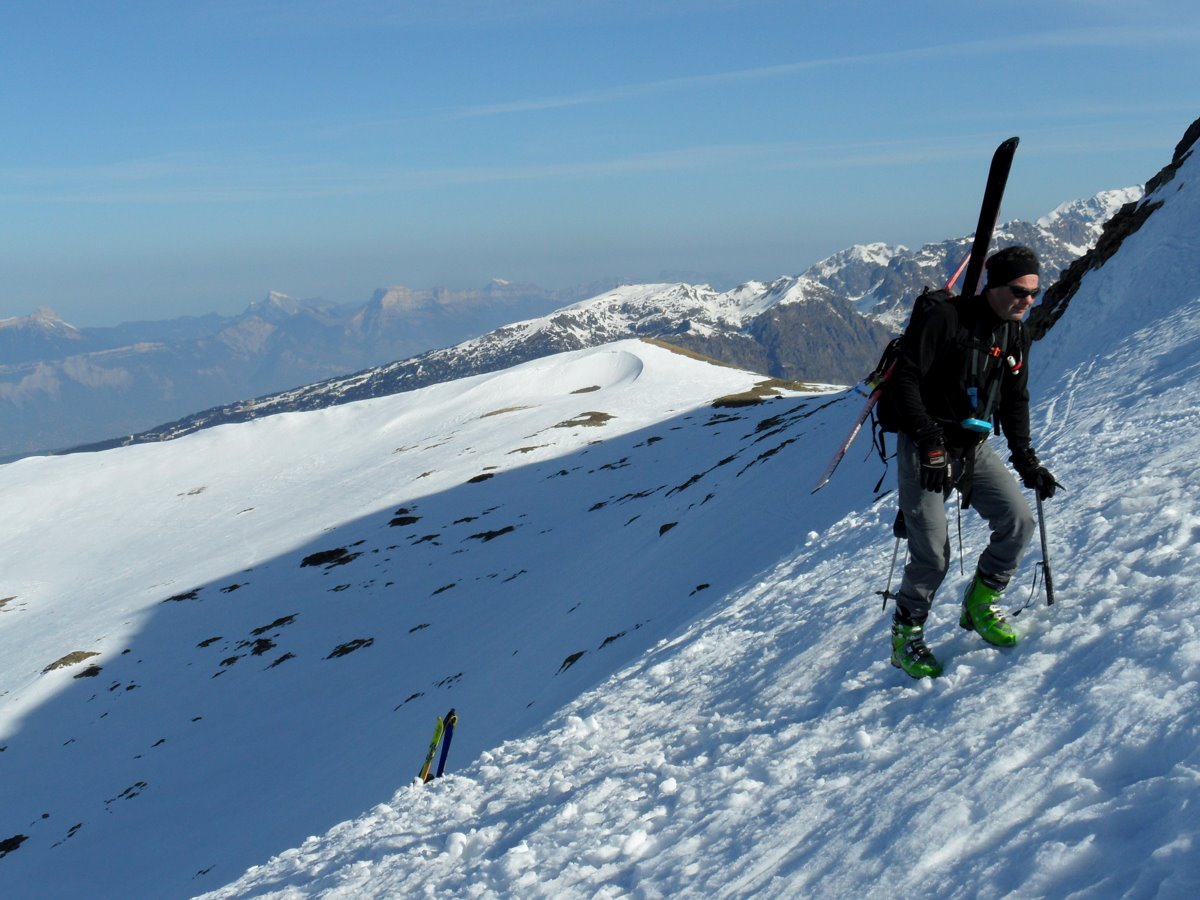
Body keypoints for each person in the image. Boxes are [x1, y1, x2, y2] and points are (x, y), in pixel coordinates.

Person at [882, 245, 1059, 678]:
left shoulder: (1015, 333)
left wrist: (1026, 461)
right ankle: (906, 636)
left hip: (973, 445)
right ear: (993, 286)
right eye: (1020, 291)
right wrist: (927, 439)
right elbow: (905, 379)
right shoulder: (947, 320)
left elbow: (1015, 401)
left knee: (1018, 521)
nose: (1028, 301)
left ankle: (979, 603)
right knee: (932, 556)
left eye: (1035, 293)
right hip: (926, 446)